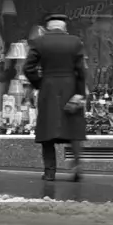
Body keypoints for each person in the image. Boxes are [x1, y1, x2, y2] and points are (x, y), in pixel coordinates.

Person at [23, 13, 86, 182]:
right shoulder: (75, 42)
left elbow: (28, 68)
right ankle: (77, 165)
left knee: (47, 130)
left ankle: (49, 172)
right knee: (73, 129)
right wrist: (80, 93)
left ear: (47, 28)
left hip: (49, 88)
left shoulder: (39, 42)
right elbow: (81, 71)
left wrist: (40, 83)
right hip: (70, 87)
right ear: (64, 27)